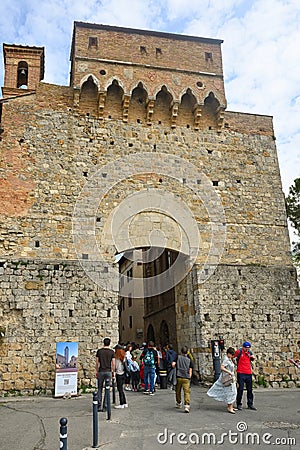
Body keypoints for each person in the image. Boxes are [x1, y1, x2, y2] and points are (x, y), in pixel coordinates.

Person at [207, 347, 237, 414]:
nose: (233, 356)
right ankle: (230, 407)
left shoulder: (229, 359)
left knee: (232, 392)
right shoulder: (226, 359)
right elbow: (222, 367)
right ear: (229, 353)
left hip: (231, 377)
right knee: (231, 392)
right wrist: (229, 372)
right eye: (232, 354)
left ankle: (230, 405)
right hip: (227, 378)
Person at [234, 341, 256, 411]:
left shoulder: (249, 353)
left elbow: (252, 359)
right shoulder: (239, 352)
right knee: (240, 389)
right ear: (243, 347)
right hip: (241, 372)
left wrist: (252, 357)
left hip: (248, 372)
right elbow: (233, 357)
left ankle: (250, 404)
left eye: (248, 348)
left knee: (250, 389)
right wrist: (234, 364)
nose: (247, 349)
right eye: (246, 348)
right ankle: (239, 404)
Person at [96, 337, 115, 411]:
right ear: (109, 343)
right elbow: (113, 363)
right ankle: (105, 406)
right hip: (108, 371)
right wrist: (113, 372)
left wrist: (96, 371)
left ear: (103, 343)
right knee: (107, 389)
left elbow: (97, 362)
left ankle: (98, 404)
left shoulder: (99, 351)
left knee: (99, 388)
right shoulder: (111, 352)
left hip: (101, 371)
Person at [174, 345, 193, 413]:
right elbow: (190, 369)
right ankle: (187, 406)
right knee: (187, 392)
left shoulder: (178, 357)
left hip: (179, 376)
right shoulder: (189, 360)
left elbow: (173, 364)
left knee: (178, 391)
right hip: (186, 377)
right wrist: (189, 377)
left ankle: (179, 402)